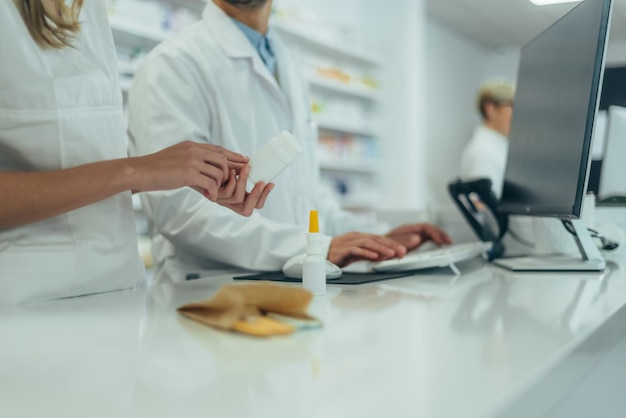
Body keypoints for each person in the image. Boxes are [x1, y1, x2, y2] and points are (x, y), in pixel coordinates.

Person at [127, 0, 452, 283]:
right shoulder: (172, 63)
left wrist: (376, 237)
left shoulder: (290, 67)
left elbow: (306, 196)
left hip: (295, 289)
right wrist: (315, 247)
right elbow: (179, 211)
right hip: (212, 294)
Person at [0, 0, 273, 305]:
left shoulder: (90, 9)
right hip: (19, 301)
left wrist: (188, 173)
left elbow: (81, 149)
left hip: (117, 293)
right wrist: (139, 171)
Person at [459, 79, 515, 198]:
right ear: (491, 109)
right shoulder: (483, 152)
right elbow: (486, 210)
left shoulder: (497, 147)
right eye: (512, 105)